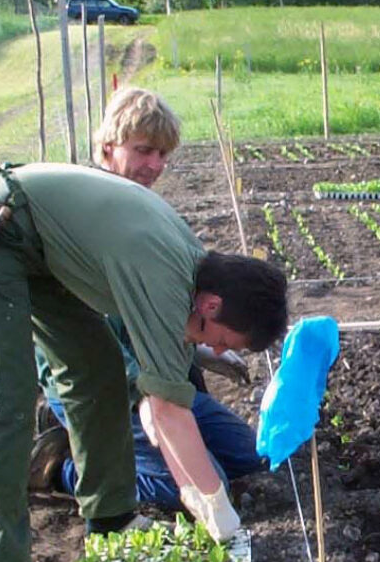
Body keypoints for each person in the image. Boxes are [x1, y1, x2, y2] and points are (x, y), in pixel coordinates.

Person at [0, 160, 288, 562]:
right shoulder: (166, 279)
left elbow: (162, 397)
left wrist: (196, 490)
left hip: (42, 245)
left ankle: (109, 517)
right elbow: (168, 412)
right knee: (5, 396)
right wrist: (216, 508)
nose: (216, 349)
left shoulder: (193, 273)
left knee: (100, 371)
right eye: (223, 340)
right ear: (212, 305)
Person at [27, 87, 268, 508]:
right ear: (108, 145)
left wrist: (198, 351)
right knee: (188, 488)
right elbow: (88, 337)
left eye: (162, 155)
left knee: (251, 457)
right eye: (143, 150)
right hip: (102, 387)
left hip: (156, 383)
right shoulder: (80, 219)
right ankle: (63, 465)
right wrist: (146, 398)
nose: (154, 165)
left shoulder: (143, 213)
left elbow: (165, 314)